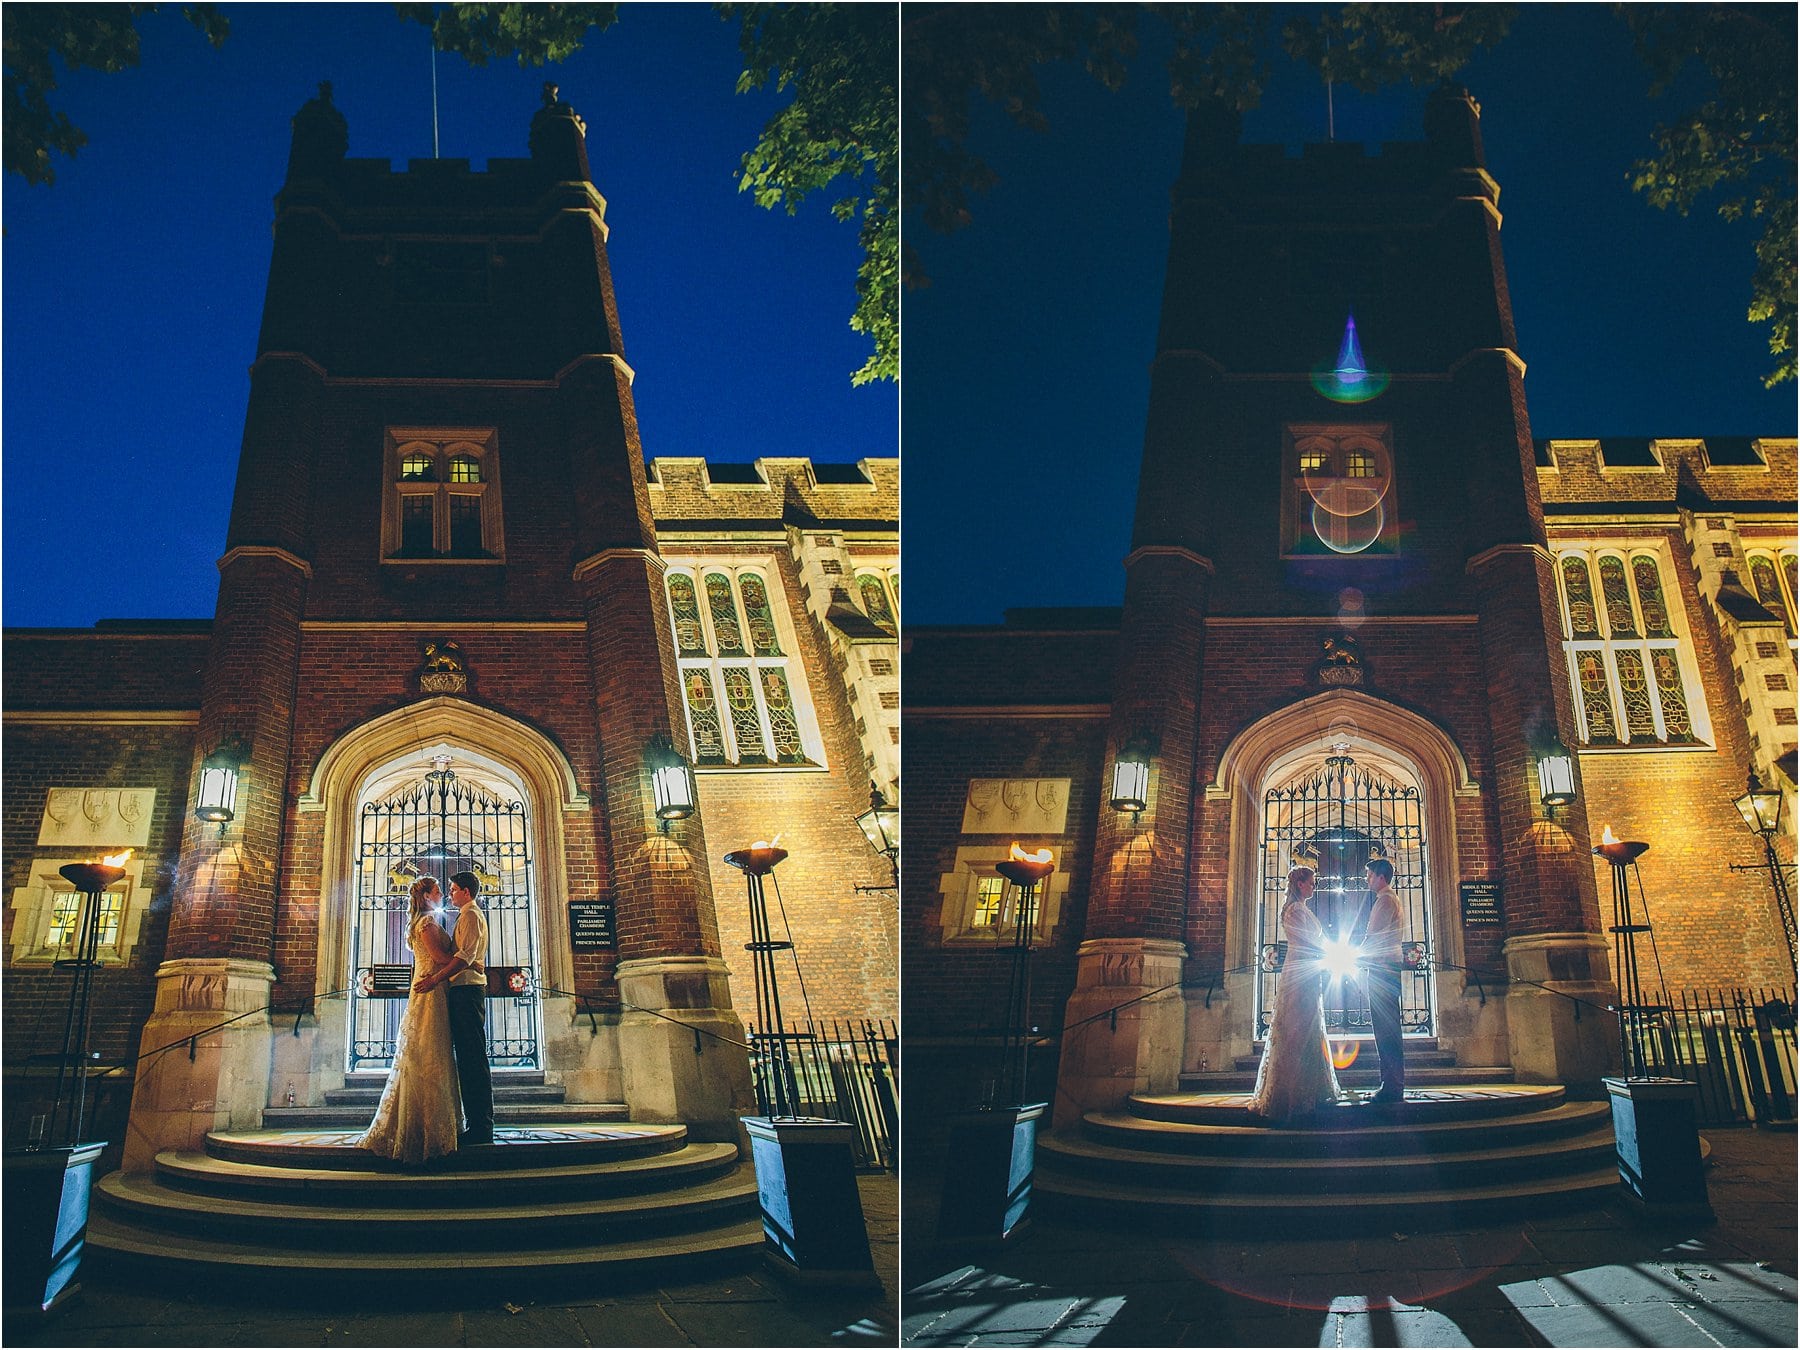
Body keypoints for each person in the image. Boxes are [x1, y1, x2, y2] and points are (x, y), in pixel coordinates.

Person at [357, 876, 460, 1163]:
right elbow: (439, 957)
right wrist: (463, 953)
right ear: (427, 897)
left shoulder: (426, 921)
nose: (442, 895)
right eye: (438, 891)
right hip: (429, 989)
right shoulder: (426, 924)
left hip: (432, 988)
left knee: (431, 1054)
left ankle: (431, 1126)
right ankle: (423, 1130)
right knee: (427, 1057)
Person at [1247, 857, 1343, 1124]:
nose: (1314, 887)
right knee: (1296, 1030)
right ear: (1299, 884)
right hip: (1300, 972)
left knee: (1308, 1029)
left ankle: (1309, 1091)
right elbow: (1309, 941)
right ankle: (1290, 1096)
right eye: (1311, 883)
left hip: (1307, 970)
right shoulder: (1295, 911)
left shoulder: (1300, 907)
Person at [417, 869, 493, 1146]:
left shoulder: (472, 915)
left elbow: (464, 957)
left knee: (473, 1059)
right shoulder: (465, 915)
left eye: (453, 889)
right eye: (446, 890)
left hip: (468, 989)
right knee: (467, 1058)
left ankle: (482, 1127)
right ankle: (476, 1124)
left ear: (466, 892)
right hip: (460, 988)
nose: (449, 893)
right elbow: (463, 957)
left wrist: (435, 979)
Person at [1350, 854, 1406, 1104]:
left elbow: (1373, 936)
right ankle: (1392, 1083)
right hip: (1386, 966)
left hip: (1383, 968)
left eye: (1370, 875)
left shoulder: (1385, 901)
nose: (1367, 880)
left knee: (1385, 1029)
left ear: (1381, 877)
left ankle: (1392, 1085)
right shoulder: (1387, 899)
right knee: (1387, 1027)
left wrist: (1354, 956)